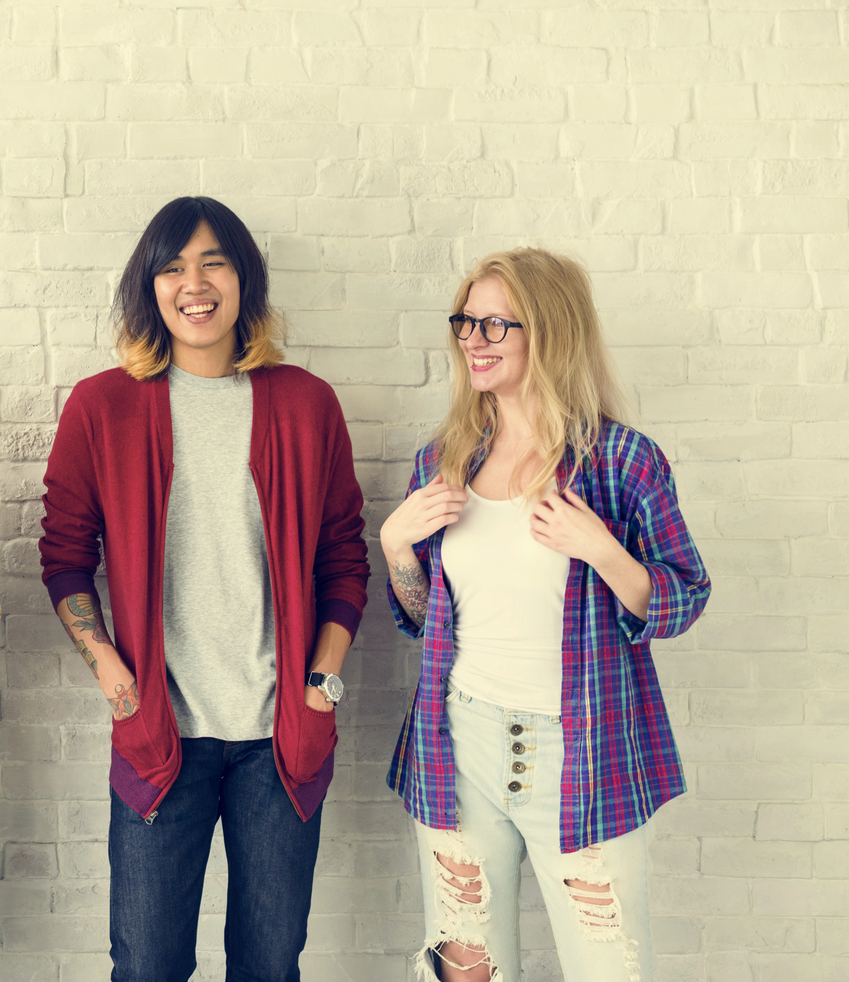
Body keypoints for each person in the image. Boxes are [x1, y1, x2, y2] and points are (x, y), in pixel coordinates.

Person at [37, 195, 370, 982]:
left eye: (214, 259)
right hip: (161, 735)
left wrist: (322, 682)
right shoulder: (103, 405)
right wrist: (110, 671)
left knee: (268, 965)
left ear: (244, 279)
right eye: (172, 264)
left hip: (279, 739)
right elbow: (62, 553)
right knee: (147, 966)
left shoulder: (306, 402)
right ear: (149, 286)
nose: (194, 281)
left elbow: (343, 557)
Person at [381, 248, 710, 981]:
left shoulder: (622, 462)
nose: (474, 338)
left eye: (496, 322)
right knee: (467, 971)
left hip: (581, 752)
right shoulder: (445, 459)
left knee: (609, 970)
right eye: (466, 321)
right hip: (459, 744)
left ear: (550, 331)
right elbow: (425, 616)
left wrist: (604, 550)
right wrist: (396, 543)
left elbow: (685, 595)